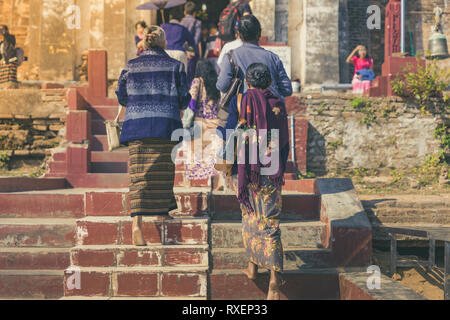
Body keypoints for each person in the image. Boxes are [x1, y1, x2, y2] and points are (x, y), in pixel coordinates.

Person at [115, 26, 191, 246]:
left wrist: (138, 103)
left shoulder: (131, 66)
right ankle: (163, 212)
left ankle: (137, 225)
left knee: (139, 175)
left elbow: (121, 96)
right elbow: (184, 100)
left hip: (137, 127)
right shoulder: (176, 66)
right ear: (164, 43)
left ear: (145, 43)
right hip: (166, 126)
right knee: (164, 170)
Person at [236, 63, 289, 300]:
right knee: (270, 222)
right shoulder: (278, 105)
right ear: (269, 83)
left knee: (250, 216)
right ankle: (274, 280)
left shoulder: (244, 101)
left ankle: (252, 267)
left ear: (248, 82)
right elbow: (285, 141)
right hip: (272, 168)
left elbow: (242, 136)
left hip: (251, 169)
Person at [216, 15, 292, 101]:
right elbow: (287, 90)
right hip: (271, 110)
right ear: (259, 33)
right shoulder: (273, 58)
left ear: (239, 35)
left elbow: (222, 86)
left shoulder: (231, 57)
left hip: (243, 110)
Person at [183, 59, 222, 183]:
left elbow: (192, 100)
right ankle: (214, 183)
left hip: (200, 123)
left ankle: (197, 183)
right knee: (211, 155)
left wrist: (187, 118)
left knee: (197, 155)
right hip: (215, 122)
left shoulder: (197, 81)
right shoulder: (217, 82)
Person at [161, 7, 196, 75]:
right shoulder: (183, 29)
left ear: (170, 16)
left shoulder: (162, 27)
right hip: (179, 53)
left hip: (165, 53)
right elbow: (192, 43)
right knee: (181, 79)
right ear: (181, 18)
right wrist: (189, 51)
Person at [181, 1, 202, 85]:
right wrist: (190, 51)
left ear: (184, 12)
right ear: (194, 13)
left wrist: (185, 51)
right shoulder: (197, 22)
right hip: (191, 53)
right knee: (191, 76)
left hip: (182, 53)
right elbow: (195, 40)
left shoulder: (181, 22)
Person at [0, 25, 18, 89]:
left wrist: (5, 33)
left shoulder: (11, 38)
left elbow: (8, 39)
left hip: (10, 60)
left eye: (2, 29)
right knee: (2, 79)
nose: (1, 31)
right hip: (3, 61)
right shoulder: (1, 42)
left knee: (9, 78)